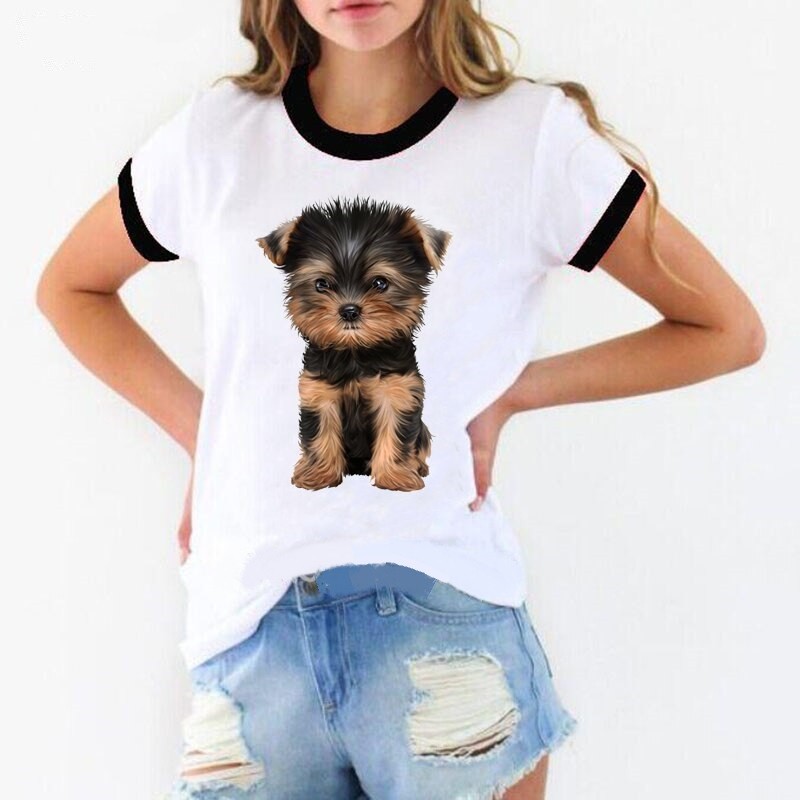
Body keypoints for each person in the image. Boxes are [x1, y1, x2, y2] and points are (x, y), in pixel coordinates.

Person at [35, 1, 765, 798]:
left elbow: (724, 328)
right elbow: (71, 287)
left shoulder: (529, 138)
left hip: (445, 626)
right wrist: (206, 436)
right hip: (245, 641)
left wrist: (514, 393)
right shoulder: (216, 137)